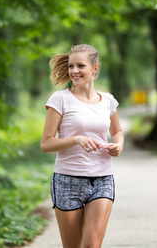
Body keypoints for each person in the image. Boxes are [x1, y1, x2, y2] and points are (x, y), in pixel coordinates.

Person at [41, 44, 124, 248]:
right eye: (71, 66)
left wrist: (118, 145)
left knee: (92, 245)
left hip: (102, 179)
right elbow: (46, 143)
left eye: (80, 66)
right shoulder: (60, 99)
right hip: (67, 180)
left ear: (95, 68)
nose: (74, 71)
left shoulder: (108, 101)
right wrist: (75, 139)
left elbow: (117, 131)